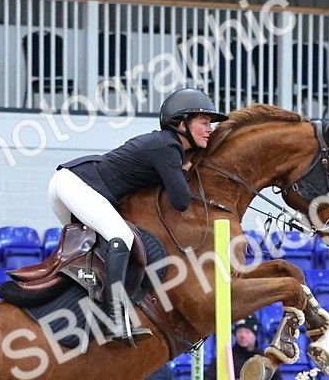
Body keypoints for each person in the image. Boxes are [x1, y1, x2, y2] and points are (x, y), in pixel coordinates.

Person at [49, 87, 227, 344]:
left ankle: (88, 312)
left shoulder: (165, 146)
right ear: (181, 123)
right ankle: (115, 318)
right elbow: (180, 201)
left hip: (67, 183)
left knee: (100, 253)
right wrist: (184, 171)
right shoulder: (168, 146)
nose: (210, 128)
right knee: (120, 236)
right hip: (76, 183)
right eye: (204, 122)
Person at [208, 315, 285, 380]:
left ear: (255, 334)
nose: (243, 335)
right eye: (239, 331)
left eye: (247, 332)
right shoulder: (226, 357)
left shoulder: (266, 359)